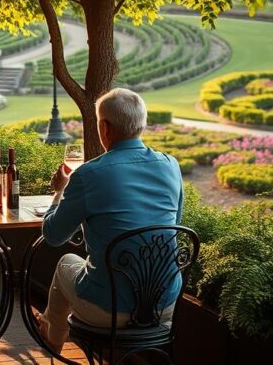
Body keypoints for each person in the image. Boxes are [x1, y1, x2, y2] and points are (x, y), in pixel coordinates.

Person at [39, 88, 184, 352]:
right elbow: (173, 225)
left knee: (66, 262)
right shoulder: (171, 165)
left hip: (108, 310)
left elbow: (54, 236)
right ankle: (50, 330)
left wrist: (59, 192)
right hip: (165, 305)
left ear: (104, 128)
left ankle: (52, 340)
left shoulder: (88, 174)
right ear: (142, 124)